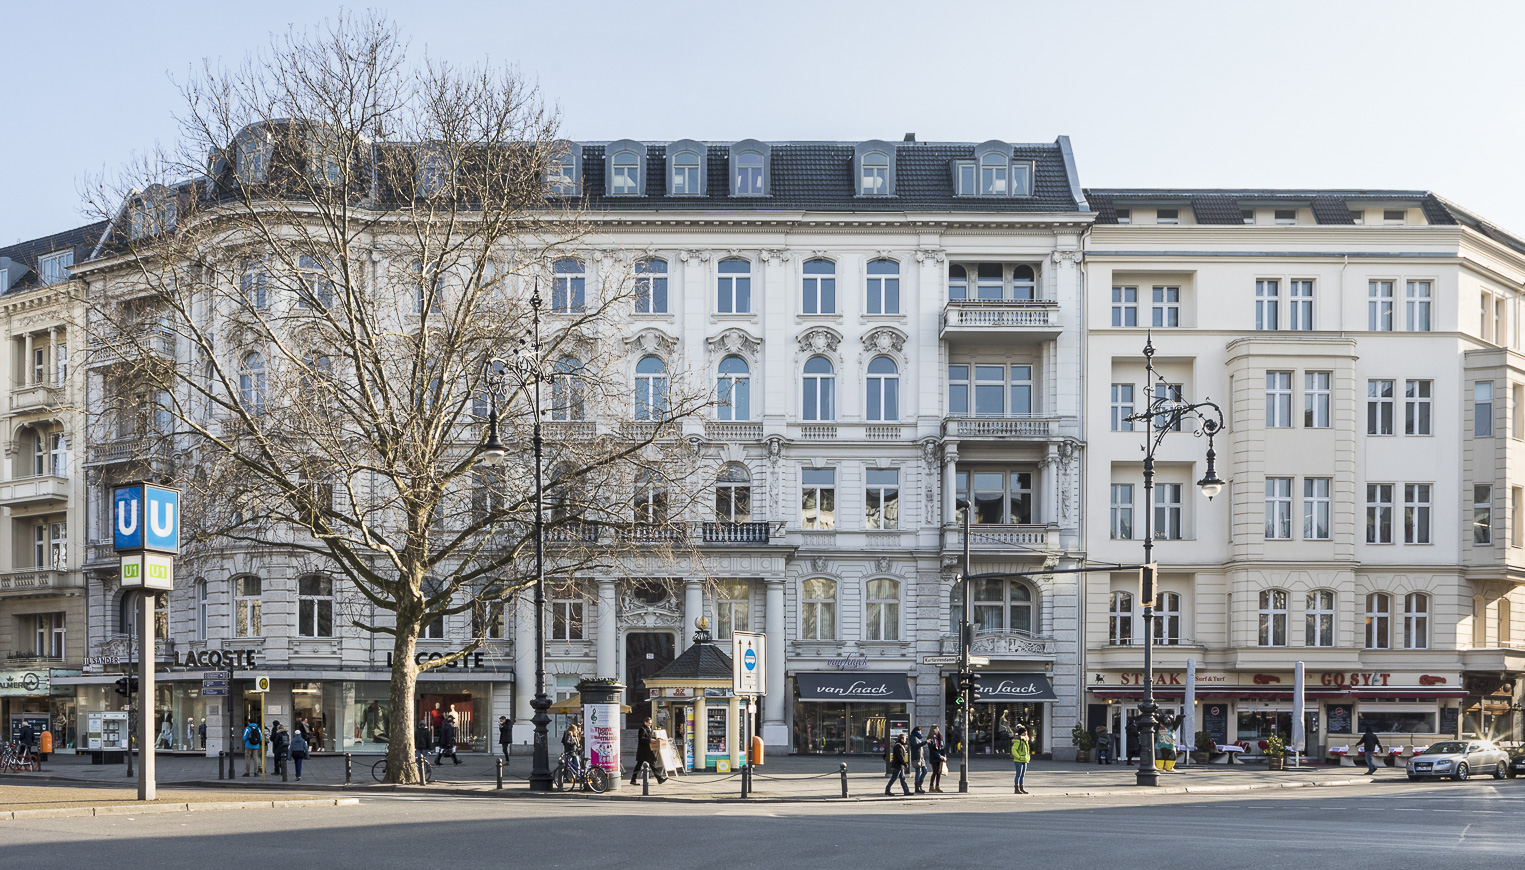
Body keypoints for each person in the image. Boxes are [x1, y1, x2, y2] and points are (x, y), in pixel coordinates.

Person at [632, 715, 667, 784]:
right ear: (645, 722)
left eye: (651, 723)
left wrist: (655, 739)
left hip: (647, 750)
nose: (650, 725)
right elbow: (641, 738)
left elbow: (649, 737)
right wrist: (650, 740)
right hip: (643, 751)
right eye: (649, 723)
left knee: (652, 764)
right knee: (639, 766)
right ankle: (633, 780)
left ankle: (659, 779)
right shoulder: (642, 729)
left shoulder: (648, 729)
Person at [1011, 724, 1032, 795]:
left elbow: (1027, 751)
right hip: (1018, 760)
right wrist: (1019, 757)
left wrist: (1028, 757)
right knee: (1018, 775)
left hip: (1025, 760)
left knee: (1023, 775)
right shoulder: (1018, 741)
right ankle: (1017, 788)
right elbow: (1014, 750)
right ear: (1021, 733)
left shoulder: (1026, 741)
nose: (1025, 733)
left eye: (1026, 732)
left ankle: (1022, 788)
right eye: (1024, 732)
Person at [926, 725, 946, 794]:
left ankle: (937, 786)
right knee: (935, 771)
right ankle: (931, 786)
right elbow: (931, 749)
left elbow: (943, 747)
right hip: (934, 757)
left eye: (938, 728)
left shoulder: (940, 737)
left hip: (940, 757)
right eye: (936, 729)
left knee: (939, 772)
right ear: (933, 730)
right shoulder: (930, 738)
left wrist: (944, 756)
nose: (937, 730)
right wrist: (939, 756)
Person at [909, 725, 928, 793]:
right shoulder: (913, 737)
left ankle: (919, 784)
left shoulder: (917, 737)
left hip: (921, 758)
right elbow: (916, 745)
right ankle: (917, 787)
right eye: (920, 731)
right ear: (918, 731)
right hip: (916, 757)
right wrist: (925, 742)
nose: (920, 733)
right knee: (918, 772)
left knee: (925, 770)